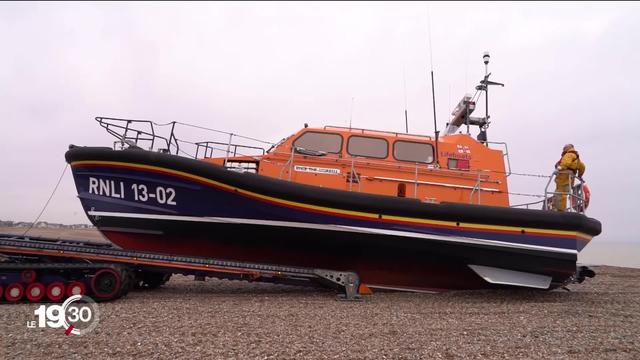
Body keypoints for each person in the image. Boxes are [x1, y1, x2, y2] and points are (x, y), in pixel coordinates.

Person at [552, 144, 586, 212]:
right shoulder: (576, 157)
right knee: (562, 192)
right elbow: (582, 167)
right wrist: (580, 176)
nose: (563, 149)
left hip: (564, 175)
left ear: (569, 147)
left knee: (561, 192)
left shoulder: (569, 155)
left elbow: (565, 162)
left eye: (564, 147)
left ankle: (560, 209)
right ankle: (557, 208)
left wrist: (559, 168)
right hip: (570, 177)